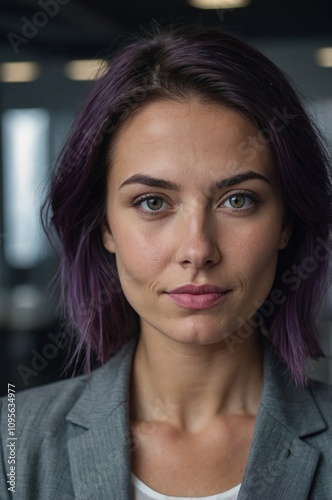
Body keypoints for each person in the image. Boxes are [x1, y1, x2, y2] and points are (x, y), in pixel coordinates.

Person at [1, 24, 332, 500]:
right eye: (153, 203)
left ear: (286, 223)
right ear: (105, 227)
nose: (197, 250)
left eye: (238, 200)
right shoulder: (12, 443)